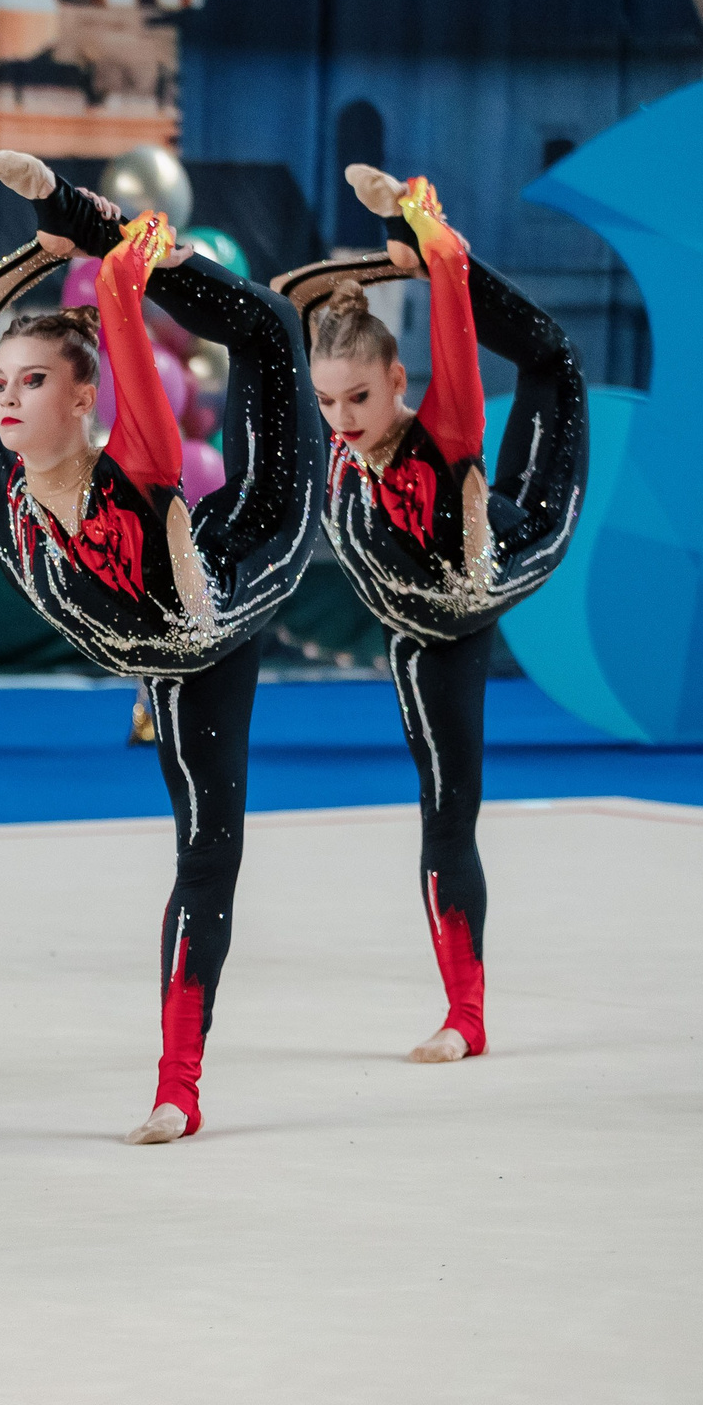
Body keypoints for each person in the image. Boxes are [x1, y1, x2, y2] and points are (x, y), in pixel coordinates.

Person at [0, 151, 318, 1143]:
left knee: (271, 331)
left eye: (32, 383)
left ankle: (175, 1087)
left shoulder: (133, 464)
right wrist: (40, 248)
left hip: (242, 570)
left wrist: (94, 233)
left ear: (79, 401)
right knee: (196, 847)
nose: (6, 400)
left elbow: (119, 310)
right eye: (2, 384)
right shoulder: (1, 496)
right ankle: (177, 1091)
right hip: (160, 628)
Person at [276, 166, 588, 1063]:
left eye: (361, 399)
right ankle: (465, 1016)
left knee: (552, 357)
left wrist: (417, 238)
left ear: (397, 378)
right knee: (446, 810)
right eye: (327, 402)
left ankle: (425, 218)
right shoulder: (340, 444)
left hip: (512, 542)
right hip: (426, 628)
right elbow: (287, 307)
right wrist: (361, 280)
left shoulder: (444, 423)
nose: (341, 420)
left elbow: (454, 302)